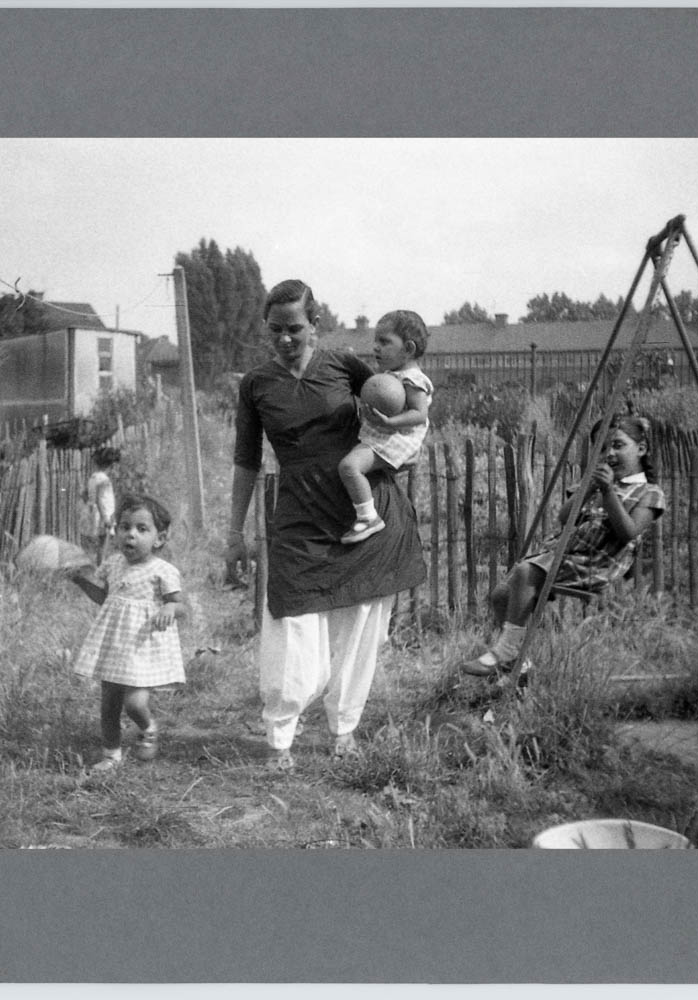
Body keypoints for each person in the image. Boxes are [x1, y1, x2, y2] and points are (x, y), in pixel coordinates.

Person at [226, 279, 427, 771]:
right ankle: (281, 737)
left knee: (361, 630)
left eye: (295, 328)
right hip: (299, 515)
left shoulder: (343, 365)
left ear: (315, 324)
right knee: (290, 625)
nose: (285, 339)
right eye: (275, 330)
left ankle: (344, 729)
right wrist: (233, 534)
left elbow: (406, 404)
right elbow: (246, 461)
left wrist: (396, 445)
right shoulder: (256, 385)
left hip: (364, 514)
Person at [463, 413, 666, 678]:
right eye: (602, 448)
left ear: (641, 448)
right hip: (564, 553)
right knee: (501, 595)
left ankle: (504, 653)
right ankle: (519, 666)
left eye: (618, 445)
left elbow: (628, 532)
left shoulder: (649, 493)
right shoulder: (595, 484)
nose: (610, 454)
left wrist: (607, 493)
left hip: (597, 562)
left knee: (526, 572)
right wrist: (589, 489)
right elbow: (563, 517)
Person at [67, 493, 187, 772]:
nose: (130, 535)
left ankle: (148, 726)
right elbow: (104, 597)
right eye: (125, 527)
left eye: (141, 529)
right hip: (114, 644)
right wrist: (81, 581)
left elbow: (180, 605)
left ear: (159, 539)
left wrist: (169, 609)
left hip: (142, 646)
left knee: (134, 702)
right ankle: (111, 755)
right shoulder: (113, 564)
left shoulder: (163, 571)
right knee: (108, 704)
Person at [338, 310, 435, 544]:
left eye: (384, 342)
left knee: (349, 467)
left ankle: (368, 517)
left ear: (409, 349)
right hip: (386, 435)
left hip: (396, 439)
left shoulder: (413, 379)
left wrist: (391, 422)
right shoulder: (393, 375)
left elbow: (419, 414)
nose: (376, 347)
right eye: (375, 341)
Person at [78, 445, 120, 565]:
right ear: (112, 465)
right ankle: (100, 568)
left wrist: (89, 506)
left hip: (93, 512)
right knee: (103, 545)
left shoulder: (93, 477)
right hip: (103, 514)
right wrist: (105, 518)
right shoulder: (105, 480)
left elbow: (85, 494)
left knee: (96, 545)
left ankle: (95, 565)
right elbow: (100, 500)